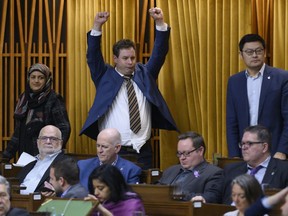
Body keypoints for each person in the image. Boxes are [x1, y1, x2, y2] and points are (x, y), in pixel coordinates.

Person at [79, 7, 178, 169]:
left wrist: (160, 23)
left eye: (133, 58)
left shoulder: (145, 73)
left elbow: (159, 54)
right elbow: (93, 56)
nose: (130, 62)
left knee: (143, 191)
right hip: (115, 152)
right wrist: (97, 27)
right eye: (125, 58)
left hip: (143, 150)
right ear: (115, 59)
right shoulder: (104, 76)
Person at [226, 34, 288, 160]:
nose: (254, 55)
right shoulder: (234, 81)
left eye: (258, 51)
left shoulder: (281, 78)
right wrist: (234, 155)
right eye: (249, 52)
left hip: (274, 152)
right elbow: (231, 121)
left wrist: (282, 150)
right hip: (245, 152)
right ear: (241, 55)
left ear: (264, 53)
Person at [1, 63, 71, 161]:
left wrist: (51, 152)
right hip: (25, 157)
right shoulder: (24, 99)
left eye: (41, 77)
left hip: (46, 158)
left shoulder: (54, 99)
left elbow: (64, 128)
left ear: (47, 80)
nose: (36, 81)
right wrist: (5, 157)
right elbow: (18, 133)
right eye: (33, 77)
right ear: (28, 79)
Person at [223, 125, 288, 205]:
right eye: (242, 143)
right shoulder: (230, 170)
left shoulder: (284, 170)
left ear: (264, 147)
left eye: (249, 143)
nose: (244, 147)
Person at [157, 131, 223, 203]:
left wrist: (177, 194)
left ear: (200, 151)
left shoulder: (213, 173)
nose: (182, 158)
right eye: (179, 153)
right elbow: (156, 190)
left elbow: (210, 197)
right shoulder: (170, 170)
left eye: (186, 153)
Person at [17, 125, 66, 194]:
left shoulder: (66, 164)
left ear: (60, 143)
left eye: (53, 139)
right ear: (38, 142)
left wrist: (57, 193)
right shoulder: (29, 165)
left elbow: (71, 190)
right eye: (44, 138)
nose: (48, 141)